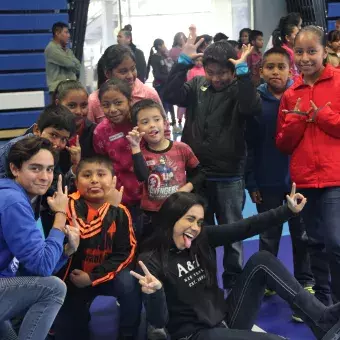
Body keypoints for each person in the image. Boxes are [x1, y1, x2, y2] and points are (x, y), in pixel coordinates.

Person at [131, 190, 340, 340]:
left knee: (262, 260)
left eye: (199, 222)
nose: (195, 228)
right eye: (190, 219)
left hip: (224, 319)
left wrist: (287, 211)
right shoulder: (151, 260)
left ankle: (321, 319)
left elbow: (244, 227)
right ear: (171, 220)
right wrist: (155, 293)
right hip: (194, 335)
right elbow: (158, 321)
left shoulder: (201, 238)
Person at [164, 34, 261, 290]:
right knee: (197, 231)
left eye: (223, 73)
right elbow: (170, 94)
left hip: (229, 175)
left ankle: (234, 278)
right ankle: (203, 278)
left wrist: (242, 73)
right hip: (197, 176)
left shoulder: (239, 89)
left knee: (232, 231)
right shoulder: (197, 85)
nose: (217, 78)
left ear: (233, 69)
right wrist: (181, 63)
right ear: (203, 69)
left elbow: (251, 108)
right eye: (211, 72)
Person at [246, 47, 314, 321]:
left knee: (302, 234)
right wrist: (251, 181)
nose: (276, 72)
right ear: (261, 70)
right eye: (270, 67)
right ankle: (267, 280)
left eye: (281, 67)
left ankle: (305, 281)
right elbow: (249, 146)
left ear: (291, 69)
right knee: (269, 235)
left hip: (299, 179)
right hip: (266, 180)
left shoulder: (300, 97)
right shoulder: (255, 103)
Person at [276, 26, 340, 306]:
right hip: (303, 179)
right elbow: (282, 143)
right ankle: (323, 305)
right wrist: (298, 121)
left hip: (334, 177)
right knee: (313, 241)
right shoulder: (291, 94)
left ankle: (337, 303)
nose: (304, 58)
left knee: (336, 242)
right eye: (299, 52)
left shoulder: (338, 82)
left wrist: (323, 116)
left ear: (325, 52)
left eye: (312, 51)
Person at [0, 136, 80, 339]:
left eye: (50, 169)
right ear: (15, 169)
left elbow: (34, 270)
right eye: (35, 168)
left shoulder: (16, 196)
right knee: (54, 289)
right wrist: (61, 216)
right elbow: (43, 267)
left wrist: (66, 251)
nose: (45, 177)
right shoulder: (13, 201)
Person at [53, 155, 140, 340]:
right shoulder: (70, 203)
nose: (94, 180)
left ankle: (127, 333)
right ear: (76, 182)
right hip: (74, 277)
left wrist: (93, 277)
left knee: (129, 283)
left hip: (102, 275)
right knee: (73, 328)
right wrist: (110, 208)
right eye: (87, 175)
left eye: (101, 174)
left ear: (114, 181)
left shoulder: (121, 211)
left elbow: (126, 252)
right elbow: (84, 234)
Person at [127, 99, 204, 239]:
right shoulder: (139, 152)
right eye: (145, 122)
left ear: (165, 121)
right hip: (151, 214)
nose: (152, 125)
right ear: (137, 129)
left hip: (179, 211)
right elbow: (142, 176)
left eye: (156, 119)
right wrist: (135, 147)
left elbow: (200, 174)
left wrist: (184, 190)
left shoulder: (182, 148)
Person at [88, 44, 162, 124]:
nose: (130, 76)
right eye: (123, 71)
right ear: (108, 74)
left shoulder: (149, 95)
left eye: (133, 69)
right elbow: (90, 133)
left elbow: (164, 128)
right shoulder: (94, 101)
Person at [54, 80, 96, 159]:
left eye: (84, 106)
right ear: (58, 104)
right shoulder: (46, 130)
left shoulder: (96, 132)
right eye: (72, 106)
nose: (79, 112)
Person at [146, 39, 179, 131]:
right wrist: (169, 78)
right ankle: (165, 127)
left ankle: (174, 124)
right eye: (163, 44)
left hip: (167, 84)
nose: (165, 46)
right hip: (160, 86)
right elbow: (157, 74)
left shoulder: (164, 56)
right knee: (163, 107)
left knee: (170, 104)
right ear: (160, 46)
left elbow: (170, 67)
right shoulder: (155, 57)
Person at [44, 22, 81, 96]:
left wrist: (68, 58)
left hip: (71, 88)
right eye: (66, 32)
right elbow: (69, 64)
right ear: (57, 33)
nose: (69, 35)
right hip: (58, 90)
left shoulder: (68, 50)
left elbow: (78, 67)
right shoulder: (51, 48)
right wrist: (71, 59)